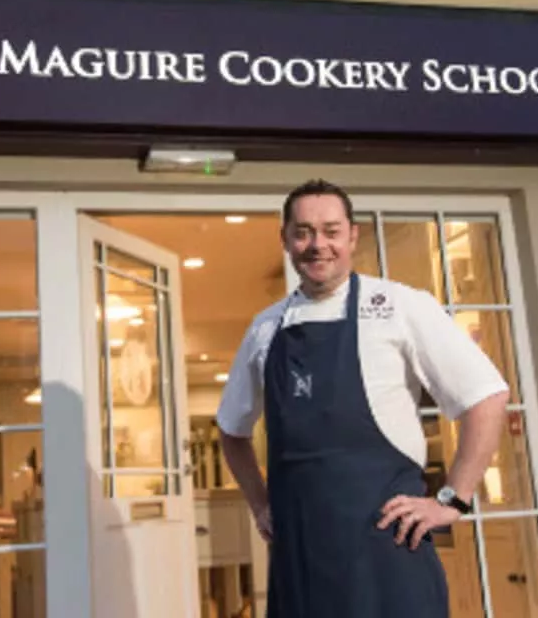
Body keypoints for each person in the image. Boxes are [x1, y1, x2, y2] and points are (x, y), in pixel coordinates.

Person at [217, 179, 509, 617]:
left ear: (352, 236)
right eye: (303, 232)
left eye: (331, 231)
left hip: (387, 551)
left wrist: (453, 499)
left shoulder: (400, 306)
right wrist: (260, 505)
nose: (318, 245)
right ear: (286, 239)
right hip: (300, 561)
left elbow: (486, 395)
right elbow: (231, 429)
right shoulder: (265, 327)